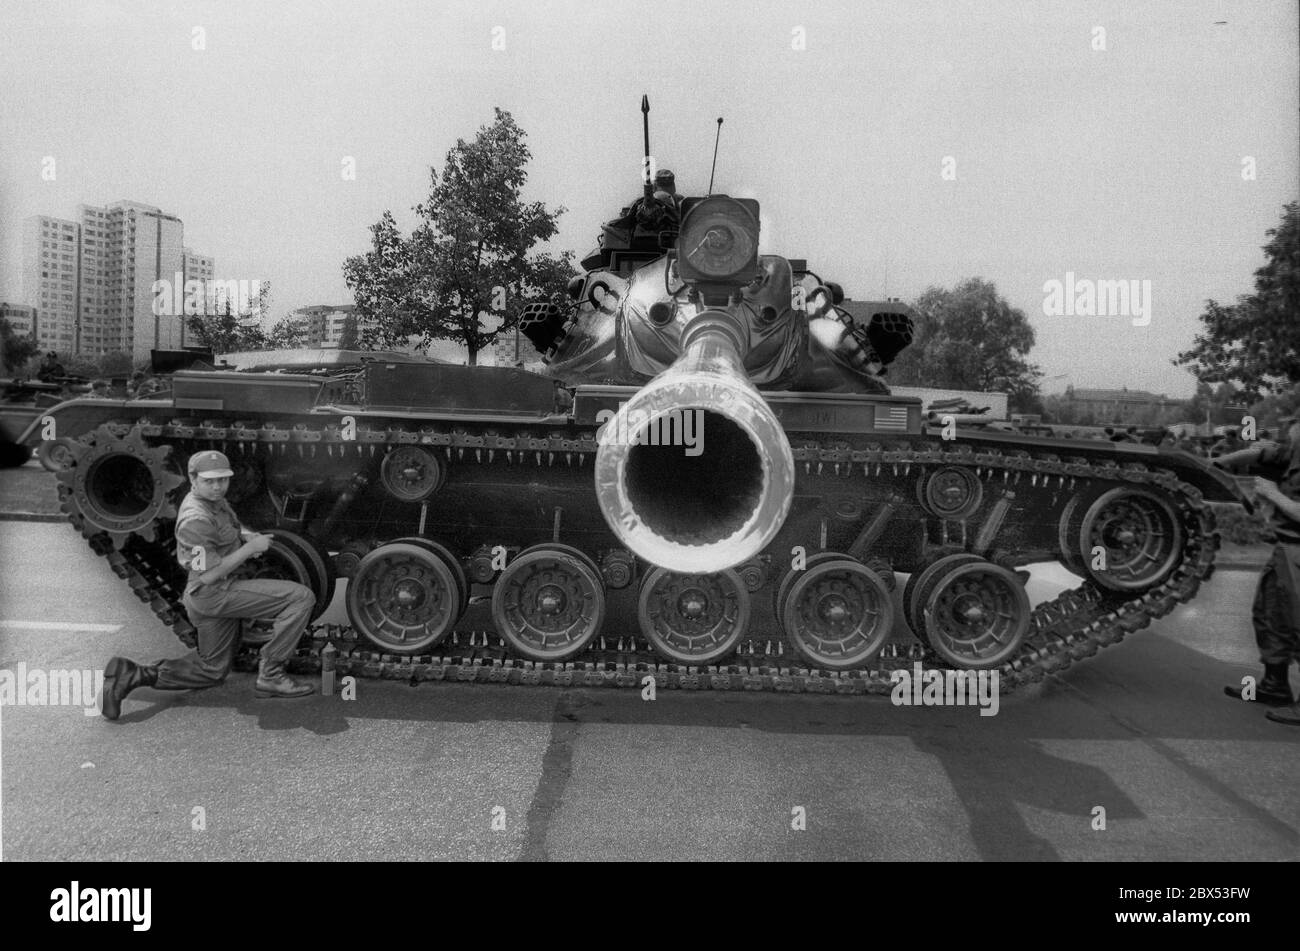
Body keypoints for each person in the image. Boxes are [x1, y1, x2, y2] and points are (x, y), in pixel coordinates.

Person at [100, 450, 316, 720]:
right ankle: (271, 675)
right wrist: (251, 550)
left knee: (213, 670)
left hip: (216, 593)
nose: (217, 487)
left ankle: (131, 675)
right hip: (215, 593)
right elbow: (209, 575)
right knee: (300, 598)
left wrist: (249, 536)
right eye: (210, 481)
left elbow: (231, 529)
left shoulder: (215, 501)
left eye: (222, 480)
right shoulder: (195, 519)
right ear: (193, 479)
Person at [1216, 414, 1300, 725]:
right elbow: (1265, 454)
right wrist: (1218, 464)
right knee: (1270, 616)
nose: (1288, 446)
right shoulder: (1294, 446)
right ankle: (1274, 685)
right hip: (1286, 547)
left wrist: (1272, 494)